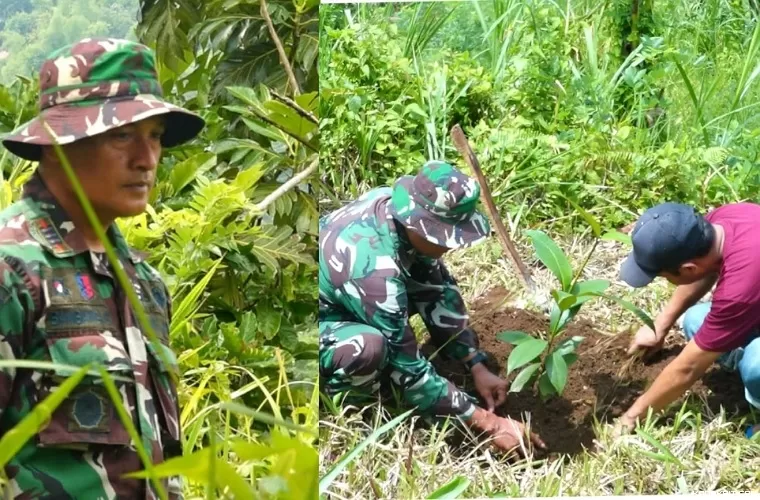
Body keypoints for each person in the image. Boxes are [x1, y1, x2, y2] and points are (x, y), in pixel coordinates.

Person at [0, 38, 204, 498]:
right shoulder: (12, 267)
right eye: (121, 136)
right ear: (56, 144)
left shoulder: (142, 281)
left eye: (154, 136)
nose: (146, 160)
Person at [319, 161, 546, 454]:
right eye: (444, 234)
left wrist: (474, 363)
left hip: (356, 299)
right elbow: (409, 371)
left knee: (428, 273)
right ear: (418, 224)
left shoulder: (391, 208)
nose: (451, 245)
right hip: (318, 325)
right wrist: (491, 424)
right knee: (368, 347)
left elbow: (437, 287)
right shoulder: (376, 272)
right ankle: (359, 413)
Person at [617, 202, 760, 437]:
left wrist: (631, 417)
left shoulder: (739, 290)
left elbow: (688, 368)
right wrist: (661, 324)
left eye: (662, 276)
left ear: (688, 268)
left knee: (757, 367)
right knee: (695, 320)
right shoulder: (724, 220)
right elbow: (707, 269)